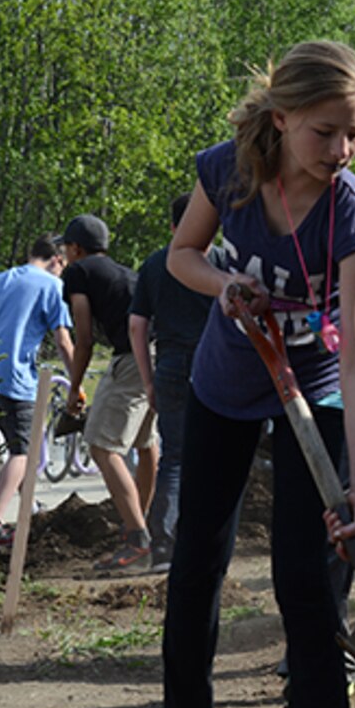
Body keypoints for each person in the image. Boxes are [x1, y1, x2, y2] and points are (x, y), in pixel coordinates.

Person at [154, 40, 355, 708]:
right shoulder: (228, 170)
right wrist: (227, 287)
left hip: (311, 389)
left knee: (307, 577)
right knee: (199, 558)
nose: (343, 152)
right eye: (326, 133)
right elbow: (182, 255)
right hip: (227, 380)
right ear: (282, 119)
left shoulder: (352, 208)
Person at [59, 215, 159, 573]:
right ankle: (145, 526)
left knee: (102, 445)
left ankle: (137, 538)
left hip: (131, 358)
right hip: (161, 353)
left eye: (66, 248)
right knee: (145, 442)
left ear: (76, 249)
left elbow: (83, 337)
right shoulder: (125, 272)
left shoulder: (78, 273)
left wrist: (75, 387)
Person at [0, 235, 76, 547]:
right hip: (16, 376)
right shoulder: (52, 286)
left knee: (17, 444)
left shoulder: (0, 279)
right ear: (57, 259)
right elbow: (63, 341)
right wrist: (75, 381)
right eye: (63, 265)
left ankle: (32, 510)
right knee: (22, 451)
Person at [129, 193, 217, 573]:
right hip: (215, 363)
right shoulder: (221, 263)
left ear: (171, 227)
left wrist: (147, 379)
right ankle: (207, 543)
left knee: (175, 457)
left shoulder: (154, 264)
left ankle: (164, 546)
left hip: (170, 362)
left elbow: (136, 326)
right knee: (219, 456)